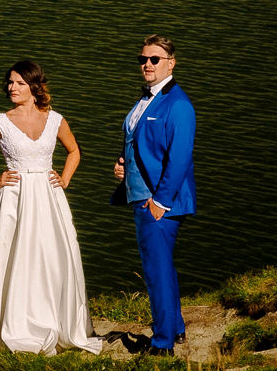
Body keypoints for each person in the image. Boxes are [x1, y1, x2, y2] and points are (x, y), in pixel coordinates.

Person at [0, 60, 103, 361]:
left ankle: (54, 322)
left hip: (49, 199)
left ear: (34, 87)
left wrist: (65, 178)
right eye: (10, 82)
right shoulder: (0, 122)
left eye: (19, 83)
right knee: (13, 259)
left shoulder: (55, 119)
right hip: (15, 199)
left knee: (52, 258)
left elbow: (74, 150)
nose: (12, 88)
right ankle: (11, 328)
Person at [111, 34, 196, 356]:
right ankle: (175, 328)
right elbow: (141, 143)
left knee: (155, 271)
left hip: (159, 202)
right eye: (143, 59)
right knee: (162, 267)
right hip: (141, 196)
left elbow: (180, 157)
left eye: (154, 59)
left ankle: (162, 344)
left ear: (171, 63)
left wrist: (160, 202)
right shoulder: (147, 98)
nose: (147, 64)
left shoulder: (178, 105)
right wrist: (123, 166)